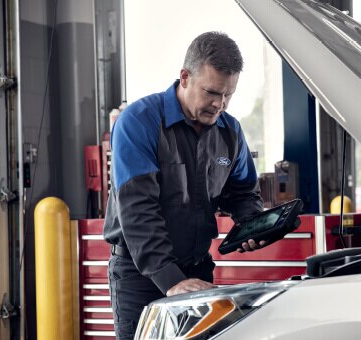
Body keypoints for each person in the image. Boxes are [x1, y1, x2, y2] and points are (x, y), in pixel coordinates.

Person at [103, 31, 265, 339]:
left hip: (198, 269)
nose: (220, 104)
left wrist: (252, 223)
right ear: (185, 77)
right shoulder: (139, 122)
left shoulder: (230, 132)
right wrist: (170, 280)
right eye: (212, 92)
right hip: (141, 276)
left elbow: (242, 192)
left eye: (228, 95)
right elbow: (138, 211)